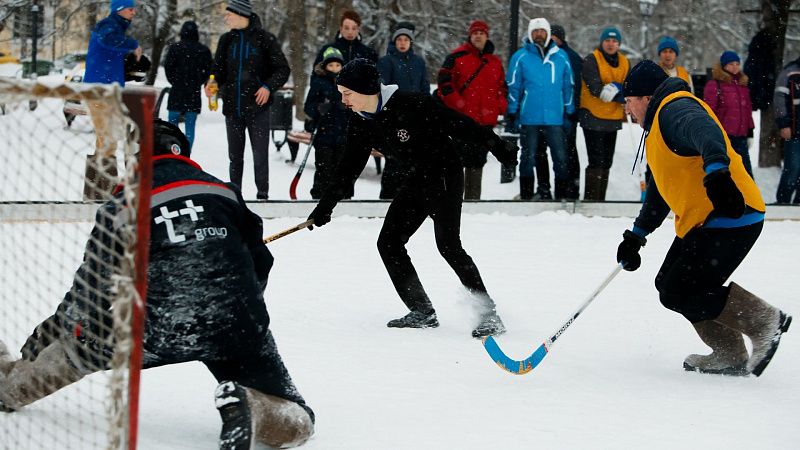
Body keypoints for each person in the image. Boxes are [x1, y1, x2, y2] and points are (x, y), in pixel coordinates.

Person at [0, 120, 315, 448]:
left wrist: (59, 331)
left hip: (153, 331)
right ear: (182, 153)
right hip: (236, 323)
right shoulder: (224, 191)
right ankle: (257, 408)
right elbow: (260, 262)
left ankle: (10, 388)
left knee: (79, 349)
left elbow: (91, 290)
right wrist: (233, 306)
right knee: (298, 414)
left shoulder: (120, 209)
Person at [307, 59, 518, 338]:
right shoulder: (361, 121)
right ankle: (422, 310)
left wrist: (496, 145)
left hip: (444, 175)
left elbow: (457, 123)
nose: (342, 99)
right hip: (418, 179)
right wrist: (325, 207)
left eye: (347, 93)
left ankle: (488, 315)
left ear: (368, 89)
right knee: (389, 242)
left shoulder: (411, 103)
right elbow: (348, 168)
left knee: (449, 246)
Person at [617, 60, 790, 377]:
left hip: (732, 213)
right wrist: (636, 236)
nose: (628, 111)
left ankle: (763, 321)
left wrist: (717, 174)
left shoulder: (674, 108)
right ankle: (729, 353)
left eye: (629, 102)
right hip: (706, 219)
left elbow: (706, 132)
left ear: (644, 98)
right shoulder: (658, 126)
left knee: (680, 291)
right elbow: (660, 191)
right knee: (669, 285)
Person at [206, 0, 291, 200]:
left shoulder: (264, 39)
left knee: (260, 156)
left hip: (258, 108)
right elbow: (217, 71)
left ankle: (262, 195)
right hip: (232, 108)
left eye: (229, 14)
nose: (225, 17)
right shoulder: (226, 40)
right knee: (235, 158)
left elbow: (282, 69)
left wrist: (268, 87)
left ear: (241, 14)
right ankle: (235, 196)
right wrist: (212, 84)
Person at [437, 20, 509, 200]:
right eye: (475, 32)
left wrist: (499, 105)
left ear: (487, 36)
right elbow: (444, 83)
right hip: (461, 120)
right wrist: (458, 104)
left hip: (484, 123)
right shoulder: (456, 56)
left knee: (478, 162)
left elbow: (503, 87)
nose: (478, 36)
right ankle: (453, 202)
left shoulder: (495, 62)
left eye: (482, 33)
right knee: (457, 161)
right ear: (470, 36)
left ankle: (473, 203)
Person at [506, 18, 574, 200]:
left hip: (555, 119)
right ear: (530, 34)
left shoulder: (560, 57)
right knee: (528, 159)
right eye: (535, 31)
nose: (538, 34)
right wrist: (512, 111)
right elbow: (513, 86)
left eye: (542, 31)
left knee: (560, 159)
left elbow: (568, 86)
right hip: (530, 118)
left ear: (548, 34)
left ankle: (560, 197)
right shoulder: (520, 57)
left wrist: (569, 110)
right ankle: (527, 195)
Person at [82, 0, 143, 200]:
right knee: (107, 140)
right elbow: (108, 41)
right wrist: (133, 45)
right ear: (119, 10)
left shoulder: (115, 27)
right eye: (130, 8)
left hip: (107, 90)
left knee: (104, 141)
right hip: (99, 91)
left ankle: (95, 191)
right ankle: (106, 192)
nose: (134, 12)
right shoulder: (108, 26)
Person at [377, 21, 430, 199]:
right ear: (394, 41)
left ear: (411, 42)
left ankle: (408, 200)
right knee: (393, 161)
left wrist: (422, 108)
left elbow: (424, 87)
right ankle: (386, 199)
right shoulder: (386, 61)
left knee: (412, 162)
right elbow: (384, 88)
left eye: (406, 39)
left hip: (415, 119)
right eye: (399, 39)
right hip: (394, 119)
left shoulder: (419, 62)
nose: (402, 42)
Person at [579, 27, 629, 201]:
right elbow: (596, 89)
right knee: (596, 160)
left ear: (619, 44)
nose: (610, 44)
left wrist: (617, 88)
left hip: (613, 118)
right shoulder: (591, 60)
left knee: (607, 161)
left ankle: (601, 200)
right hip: (592, 116)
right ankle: (592, 200)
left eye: (614, 41)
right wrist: (619, 92)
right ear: (602, 42)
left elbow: (629, 88)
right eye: (607, 40)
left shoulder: (624, 62)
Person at [304, 46, 350, 199]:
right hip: (324, 133)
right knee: (324, 167)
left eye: (337, 65)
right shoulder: (319, 82)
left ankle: (343, 196)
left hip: (343, 133)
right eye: (331, 65)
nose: (334, 68)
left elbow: (357, 106)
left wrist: (347, 107)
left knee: (342, 168)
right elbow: (308, 106)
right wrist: (318, 109)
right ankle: (319, 195)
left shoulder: (347, 83)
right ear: (325, 66)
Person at [703, 50, 755, 178]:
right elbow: (709, 111)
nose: (735, 66)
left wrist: (750, 132)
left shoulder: (743, 85)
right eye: (731, 64)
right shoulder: (715, 84)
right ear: (724, 66)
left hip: (741, 137)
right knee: (726, 173)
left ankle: (748, 198)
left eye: (737, 63)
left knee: (745, 173)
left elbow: (747, 110)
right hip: (724, 137)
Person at [164, 21, 213, 149]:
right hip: (193, 94)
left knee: (172, 126)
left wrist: (175, 81)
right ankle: (186, 154)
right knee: (190, 126)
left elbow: (168, 68)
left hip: (176, 93)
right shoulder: (203, 50)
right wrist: (198, 81)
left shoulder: (175, 48)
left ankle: (172, 152)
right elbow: (208, 71)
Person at [551, 24, 582, 200]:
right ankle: (563, 189)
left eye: (555, 37)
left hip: (567, 113)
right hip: (554, 113)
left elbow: (575, 86)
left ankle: (571, 189)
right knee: (560, 152)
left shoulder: (570, 57)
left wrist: (572, 110)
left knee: (567, 151)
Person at [311, 9, 378, 73]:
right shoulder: (327, 50)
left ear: (358, 29)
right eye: (346, 28)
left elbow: (377, 79)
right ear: (341, 28)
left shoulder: (369, 53)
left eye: (354, 28)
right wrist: (331, 84)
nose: (350, 32)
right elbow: (316, 78)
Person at [773, 55, 800, 204]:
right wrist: (783, 124)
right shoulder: (789, 72)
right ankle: (783, 201)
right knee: (793, 168)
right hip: (794, 130)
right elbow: (779, 99)